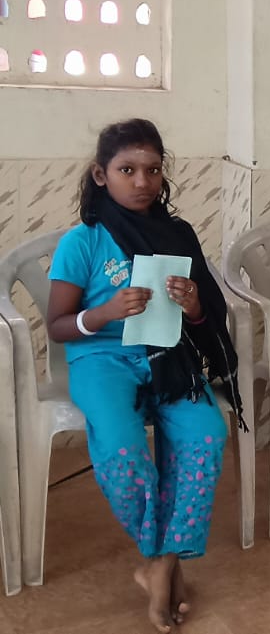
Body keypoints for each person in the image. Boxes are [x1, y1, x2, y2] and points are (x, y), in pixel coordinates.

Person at [46, 119, 242, 633]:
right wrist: (105, 312)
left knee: (206, 434)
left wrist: (194, 304)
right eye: (127, 170)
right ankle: (162, 559)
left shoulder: (177, 235)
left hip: (167, 355)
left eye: (153, 170)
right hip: (101, 359)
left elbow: (203, 319)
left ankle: (161, 565)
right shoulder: (83, 242)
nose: (142, 182)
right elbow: (58, 325)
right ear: (101, 174)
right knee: (121, 447)